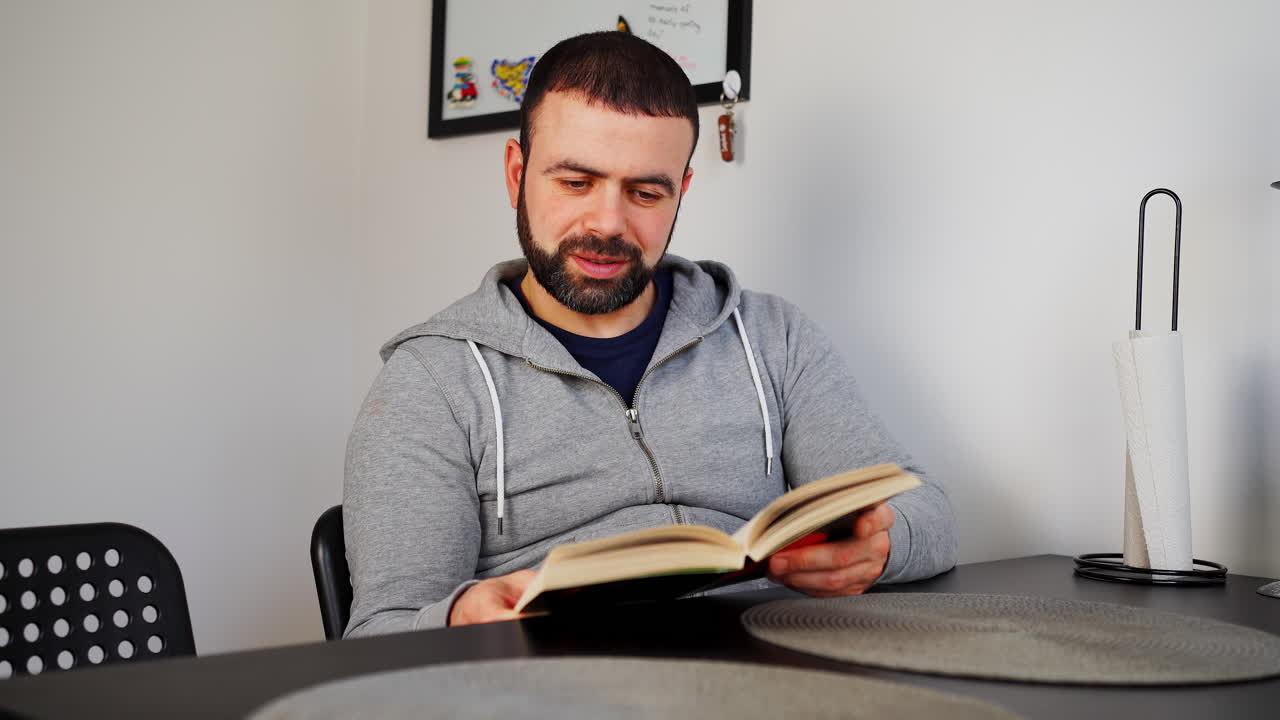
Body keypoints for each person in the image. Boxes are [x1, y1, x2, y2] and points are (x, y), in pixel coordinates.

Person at [343, 31, 955, 637]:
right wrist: (456, 618)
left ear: (681, 191)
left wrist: (880, 546)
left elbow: (927, 514)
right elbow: (378, 634)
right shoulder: (431, 382)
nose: (608, 224)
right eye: (575, 183)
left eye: (644, 192)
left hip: (771, 671)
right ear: (516, 174)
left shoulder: (773, 337)